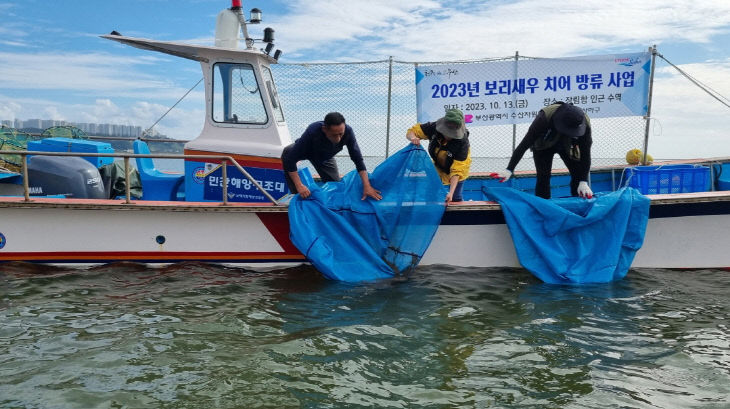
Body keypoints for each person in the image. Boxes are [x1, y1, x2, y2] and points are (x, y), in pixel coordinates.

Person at [492, 102, 593, 199]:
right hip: (543, 144)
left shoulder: (584, 123)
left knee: (578, 173)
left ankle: (578, 202)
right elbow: (524, 144)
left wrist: (583, 181)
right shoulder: (543, 118)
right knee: (543, 177)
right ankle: (543, 206)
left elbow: (585, 154)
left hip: (567, 143)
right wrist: (509, 169)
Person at [281, 112, 381, 201]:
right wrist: (299, 186)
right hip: (306, 151)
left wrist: (367, 186)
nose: (338, 138)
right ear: (325, 129)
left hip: (325, 158)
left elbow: (358, 159)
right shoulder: (313, 131)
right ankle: (296, 196)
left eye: (341, 134)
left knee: (335, 187)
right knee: (287, 152)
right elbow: (291, 159)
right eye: (334, 135)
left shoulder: (348, 132)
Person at [406, 108, 472, 203]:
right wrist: (413, 137)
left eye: (453, 134)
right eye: (447, 132)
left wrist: (451, 193)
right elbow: (412, 131)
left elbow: (457, 170)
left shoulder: (463, 143)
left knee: (455, 197)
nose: (449, 136)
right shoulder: (433, 127)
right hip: (438, 165)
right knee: (430, 194)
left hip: (458, 169)